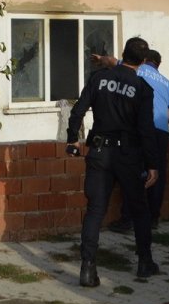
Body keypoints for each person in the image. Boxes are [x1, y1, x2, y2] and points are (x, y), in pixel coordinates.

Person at [65, 36, 161, 287]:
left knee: (95, 210)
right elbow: (146, 130)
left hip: (98, 152)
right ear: (143, 60)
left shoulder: (99, 78)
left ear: (122, 53)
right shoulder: (142, 88)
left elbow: (78, 110)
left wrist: (73, 138)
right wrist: (152, 164)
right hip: (128, 156)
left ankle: (87, 268)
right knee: (139, 210)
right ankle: (144, 263)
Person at [105, 49, 169, 233]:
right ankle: (153, 219)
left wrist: (100, 59)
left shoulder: (137, 69)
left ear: (144, 60)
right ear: (158, 64)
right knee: (157, 175)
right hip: (161, 132)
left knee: (134, 173)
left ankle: (128, 219)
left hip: (139, 129)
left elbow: (113, 62)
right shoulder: (168, 83)